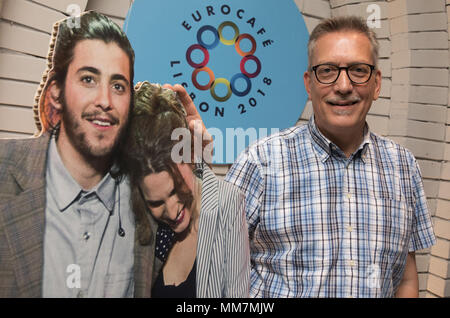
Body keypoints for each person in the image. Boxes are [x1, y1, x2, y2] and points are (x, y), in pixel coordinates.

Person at [225, 16, 436, 298]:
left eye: (359, 70)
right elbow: (219, 267)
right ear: (309, 83)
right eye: (327, 71)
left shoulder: (404, 166)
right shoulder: (260, 162)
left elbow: (406, 276)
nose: (344, 85)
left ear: (376, 83)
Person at [0, 11, 206, 297]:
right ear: (56, 91)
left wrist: (194, 157)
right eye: (88, 79)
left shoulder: (142, 195)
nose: (105, 101)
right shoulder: (6, 173)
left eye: (118, 85)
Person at [118, 81, 249, 298]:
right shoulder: (132, 214)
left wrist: (200, 156)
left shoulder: (227, 204)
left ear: (190, 154)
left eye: (175, 191)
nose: (171, 211)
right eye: (155, 202)